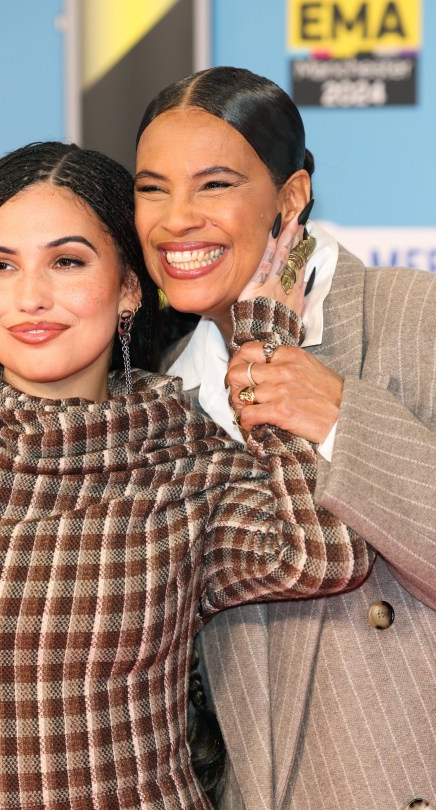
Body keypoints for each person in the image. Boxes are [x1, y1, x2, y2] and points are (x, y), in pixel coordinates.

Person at [0, 140, 370, 810]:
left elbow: (324, 555)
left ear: (128, 290)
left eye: (66, 262)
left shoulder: (186, 464)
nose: (29, 297)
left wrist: (267, 347)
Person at [134, 66, 436, 809]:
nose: (175, 219)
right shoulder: (164, 399)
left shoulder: (416, 317)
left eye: (213, 185)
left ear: (291, 195)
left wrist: (340, 415)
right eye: (151, 188)